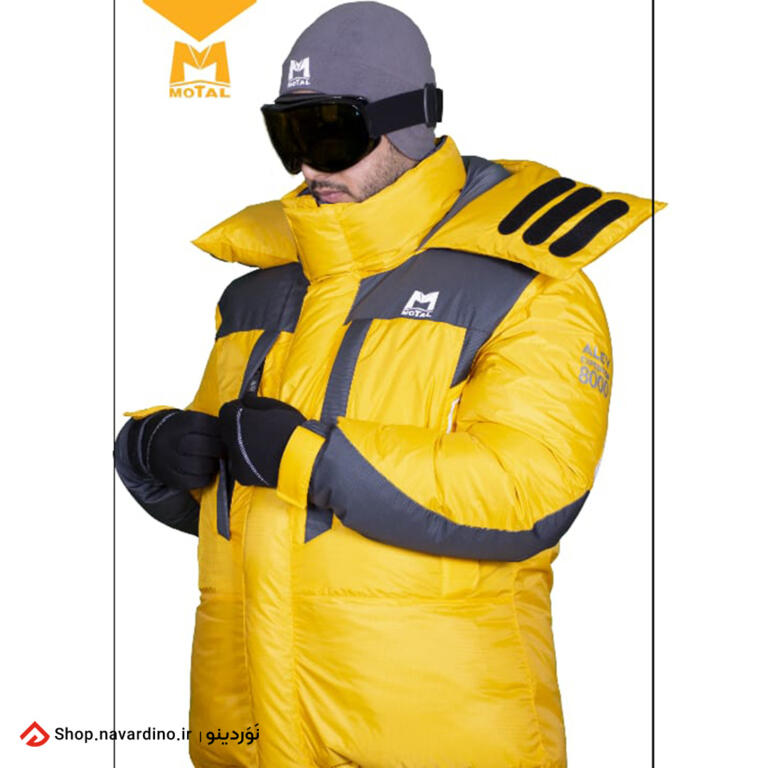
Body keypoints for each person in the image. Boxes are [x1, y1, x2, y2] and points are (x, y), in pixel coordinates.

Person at [114, 3, 659, 766]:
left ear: (405, 127)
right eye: (289, 137)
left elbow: (529, 492)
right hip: (249, 736)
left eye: (328, 135)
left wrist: (310, 459)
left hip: (434, 740)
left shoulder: (524, 286)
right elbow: (232, 509)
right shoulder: (260, 290)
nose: (309, 169)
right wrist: (155, 452)